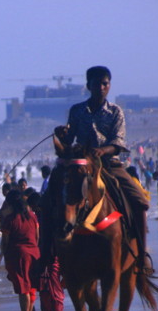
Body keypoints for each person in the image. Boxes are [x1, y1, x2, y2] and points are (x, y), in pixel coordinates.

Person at [53, 66, 150, 264]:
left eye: (105, 83)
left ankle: (141, 254)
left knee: (140, 202)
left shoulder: (115, 111)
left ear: (109, 85)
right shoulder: (77, 110)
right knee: (48, 199)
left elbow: (118, 142)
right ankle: (47, 255)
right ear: (88, 86)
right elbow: (68, 140)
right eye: (97, 83)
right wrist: (62, 134)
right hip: (82, 165)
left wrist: (102, 151)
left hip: (109, 164)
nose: (101, 87)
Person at [1, 190, 40, 311]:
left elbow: (5, 242)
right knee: (31, 287)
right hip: (34, 253)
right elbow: (37, 237)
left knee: (23, 288)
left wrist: (4, 256)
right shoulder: (32, 216)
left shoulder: (10, 219)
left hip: (18, 255)